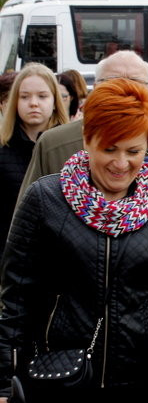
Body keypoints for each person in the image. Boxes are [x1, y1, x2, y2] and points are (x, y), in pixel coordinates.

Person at [0, 78, 148, 403]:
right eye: (109, 149)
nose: (120, 163)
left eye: (133, 150)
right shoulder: (45, 199)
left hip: (139, 388)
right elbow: (14, 296)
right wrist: (3, 382)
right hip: (53, 383)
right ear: (87, 141)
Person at [17, 50, 148, 199]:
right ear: (95, 89)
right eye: (113, 82)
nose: (122, 91)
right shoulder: (53, 145)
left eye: (134, 82)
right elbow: (27, 220)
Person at [0, 64, 69, 258]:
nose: (33, 103)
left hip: (58, 257)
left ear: (55, 101)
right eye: (24, 96)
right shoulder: (3, 148)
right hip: (10, 257)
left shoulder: (71, 148)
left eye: (42, 96)